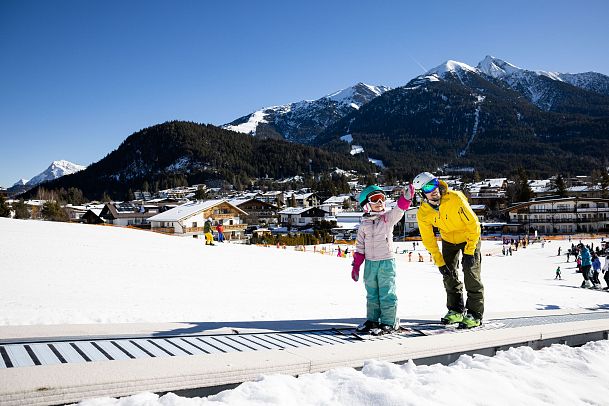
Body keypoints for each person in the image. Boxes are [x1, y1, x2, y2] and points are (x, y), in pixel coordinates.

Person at [413, 172, 483, 329]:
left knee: (470, 273)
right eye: (428, 188)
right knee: (448, 274)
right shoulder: (423, 213)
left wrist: (470, 251)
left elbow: (474, 224)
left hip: (468, 237)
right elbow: (428, 239)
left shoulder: (455, 198)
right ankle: (456, 310)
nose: (434, 190)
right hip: (449, 240)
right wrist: (439, 262)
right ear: (421, 193)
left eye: (434, 184)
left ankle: (475, 314)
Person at [351, 183, 414, 335]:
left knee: (387, 293)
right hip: (370, 264)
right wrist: (356, 266)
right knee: (372, 293)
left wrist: (406, 198)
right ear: (366, 205)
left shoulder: (387, 218)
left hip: (386, 262)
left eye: (382, 199)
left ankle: (388, 322)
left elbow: (399, 210)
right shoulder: (363, 224)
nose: (380, 203)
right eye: (375, 199)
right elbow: (360, 247)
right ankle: (373, 320)